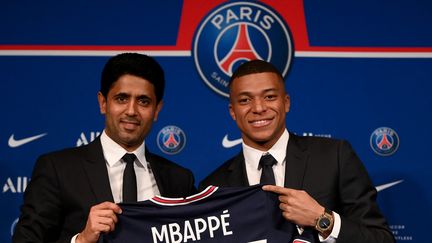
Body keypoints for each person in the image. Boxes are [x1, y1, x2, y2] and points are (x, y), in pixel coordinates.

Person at [199, 59, 395, 243]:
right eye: (245, 100)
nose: (258, 108)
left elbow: (382, 239)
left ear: (286, 103)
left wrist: (322, 219)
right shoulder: (214, 188)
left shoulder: (334, 157)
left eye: (269, 97)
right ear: (232, 112)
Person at [13, 53, 196, 243]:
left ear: (157, 109)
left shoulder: (179, 181)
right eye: (121, 99)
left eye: (143, 101)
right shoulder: (58, 170)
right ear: (103, 103)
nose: (132, 111)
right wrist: (82, 240)